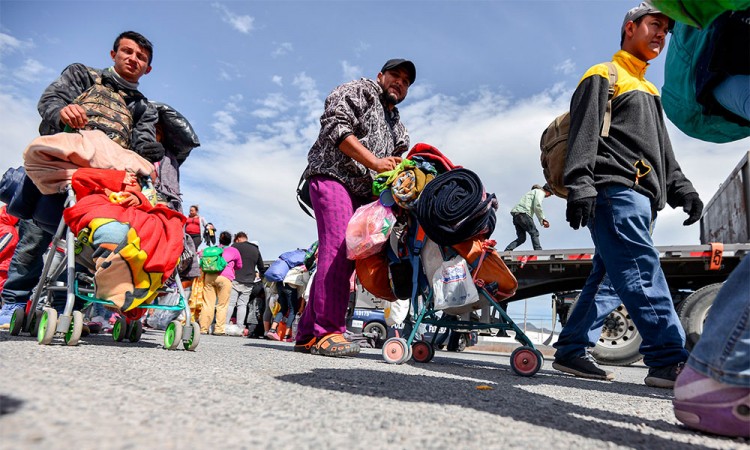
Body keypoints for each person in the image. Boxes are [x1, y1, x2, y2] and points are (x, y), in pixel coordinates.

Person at [552, 3, 703, 388]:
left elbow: (663, 153)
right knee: (640, 269)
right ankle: (669, 359)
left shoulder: (649, 89)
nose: (662, 34)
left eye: (666, 29)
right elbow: (584, 133)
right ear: (630, 28)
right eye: (655, 24)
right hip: (615, 189)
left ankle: (571, 349)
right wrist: (580, 184)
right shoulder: (604, 74)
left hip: (644, 199)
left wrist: (683, 189)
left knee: (609, 278)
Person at [0, 31, 161, 327]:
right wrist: (62, 112)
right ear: (113, 54)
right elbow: (50, 100)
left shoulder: (144, 108)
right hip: (61, 168)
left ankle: (67, 312)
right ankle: (13, 303)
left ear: (147, 68)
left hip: (103, 181)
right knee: (35, 238)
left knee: (86, 246)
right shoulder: (82, 75)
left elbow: (142, 142)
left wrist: (149, 151)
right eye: (127, 52)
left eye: (141, 57)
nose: (133, 59)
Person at [295, 58, 415, 356]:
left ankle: (308, 334)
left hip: (366, 193)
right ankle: (328, 331)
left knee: (347, 255)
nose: (400, 83)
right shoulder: (359, 90)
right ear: (380, 75)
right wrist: (374, 162)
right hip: (333, 175)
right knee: (338, 249)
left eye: (406, 81)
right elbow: (335, 126)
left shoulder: (398, 126)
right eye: (395, 75)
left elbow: (396, 163)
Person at [198, 231, 240, 336]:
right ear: (230, 241)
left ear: (219, 240)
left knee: (208, 303)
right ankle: (219, 329)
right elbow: (239, 265)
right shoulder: (234, 250)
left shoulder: (211, 250)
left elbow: (201, 257)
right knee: (222, 305)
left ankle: (203, 328)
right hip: (225, 278)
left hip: (209, 276)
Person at [226, 232, 265, 335]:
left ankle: (224, 325)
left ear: (238, 238)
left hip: (235, 278)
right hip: (249, 281)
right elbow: (261, 267)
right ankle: (240, 328)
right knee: (242, 305)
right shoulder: (255, 249)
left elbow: (227, 260)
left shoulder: (235, 246)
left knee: (231, 303)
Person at [503, 184, 552, 251]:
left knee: (521, 238)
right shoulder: (540, 192)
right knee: (534, 233)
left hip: (516, 215)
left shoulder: (533, 192)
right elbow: (537, 205)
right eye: (550, 194)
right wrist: (543, 219)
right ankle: (538, 250)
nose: (549, 196)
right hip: (523, 214)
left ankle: (507, 250)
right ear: (548, 191)